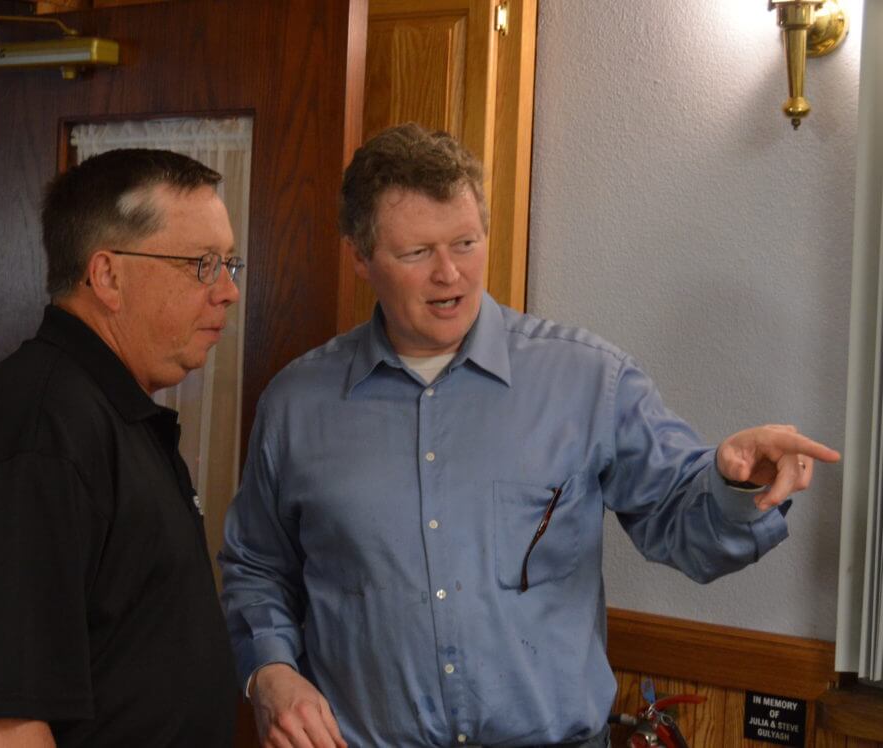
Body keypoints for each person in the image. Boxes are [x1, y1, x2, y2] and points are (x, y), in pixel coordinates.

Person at [219, 123, 840, 748]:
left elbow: (687, 534)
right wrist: (270, 672)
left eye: (466, 242)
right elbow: (256, 566)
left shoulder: (589, 380)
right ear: (359, 257)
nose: (450, 274)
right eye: (417, 253)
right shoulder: (296, 404)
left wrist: (735, 486)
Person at [0, 148, 242, 747]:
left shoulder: (104, 411)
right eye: (202, 264)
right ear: (107, 276)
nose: (227, 291)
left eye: (230, 264)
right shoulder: (40, 434)